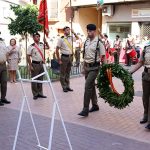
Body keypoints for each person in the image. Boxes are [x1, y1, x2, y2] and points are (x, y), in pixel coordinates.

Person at [78, 24, 105, 117]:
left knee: (87, 86)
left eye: (90, 31)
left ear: (94, 31)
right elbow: (85, 56)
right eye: (87, 31)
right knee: (91, 86)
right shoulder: (86, 41)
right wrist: (83, 67)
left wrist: (104, 71)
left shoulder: (99, 42)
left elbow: (103, 57)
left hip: (95, 68)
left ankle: (85, 109)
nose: (88, 33)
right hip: (87, 67)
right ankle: (95, 105)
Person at [129, 42, 150, 130]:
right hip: (146, 75)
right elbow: (140, 62)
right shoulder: (146, 47)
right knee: (145, 97)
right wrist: (130, 72)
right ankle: (145, 115)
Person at [55, 26, 79, 92]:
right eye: (67, 30)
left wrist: (73, 32)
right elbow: (57, 49)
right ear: (64, 31)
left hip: (70, 57)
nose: (68, 31)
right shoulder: (61, 39)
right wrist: (59, 59)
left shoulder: (71, 38)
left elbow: (77, 38)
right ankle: (64, 86)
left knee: (68, 72)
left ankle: (68, 86)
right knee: (63, 73)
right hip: (64, 57)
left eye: (69, 30)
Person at [27, 32, 50, 100]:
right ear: (33, 38)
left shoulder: (41, 44)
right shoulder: (31, 46)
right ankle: (35, 94)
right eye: (36, 36)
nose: (38, 38)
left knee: (40, 79)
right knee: (34, 79)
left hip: (41, 64)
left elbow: (48, 47)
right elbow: (28, 56)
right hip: (35, 64)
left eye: (38, 36)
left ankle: (40, 93)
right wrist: (30, 65)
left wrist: (46, 42)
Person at [0, 38, 11, 105]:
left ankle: (3, 98)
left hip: (3, 65)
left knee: (4, 82)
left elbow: (6, 53)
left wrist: (8, 62)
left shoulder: (3, 42)